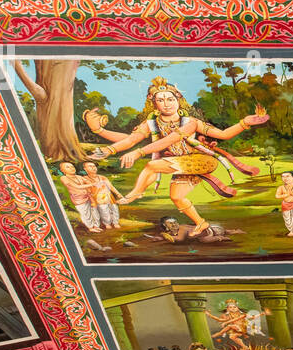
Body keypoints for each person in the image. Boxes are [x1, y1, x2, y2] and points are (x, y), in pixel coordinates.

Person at [85, 76, 267, 238]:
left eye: (170, 99)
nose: (166, 103)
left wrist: (244, 123)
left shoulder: (190, 123)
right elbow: (131, 140)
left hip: (199, 161)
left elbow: (223, 134)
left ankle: (135, 193)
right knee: (177, 197)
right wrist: (103, 142)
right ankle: (201, 223)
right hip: (178, 165)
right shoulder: (151, 123)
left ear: (178, 100)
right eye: (161, 100)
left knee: (152, 166)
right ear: (153, 103)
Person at [82, 161, 123, 229]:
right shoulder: (84, 179)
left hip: (109, 196)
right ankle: (107, 223)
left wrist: (118, 193)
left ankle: (115, 222)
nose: (93, 168)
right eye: (90, 166)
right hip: (97, 198)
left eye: (94, 166)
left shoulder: (102, 177)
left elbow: (110, 186)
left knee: (114, 209)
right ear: (85, 169)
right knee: (104, 211)